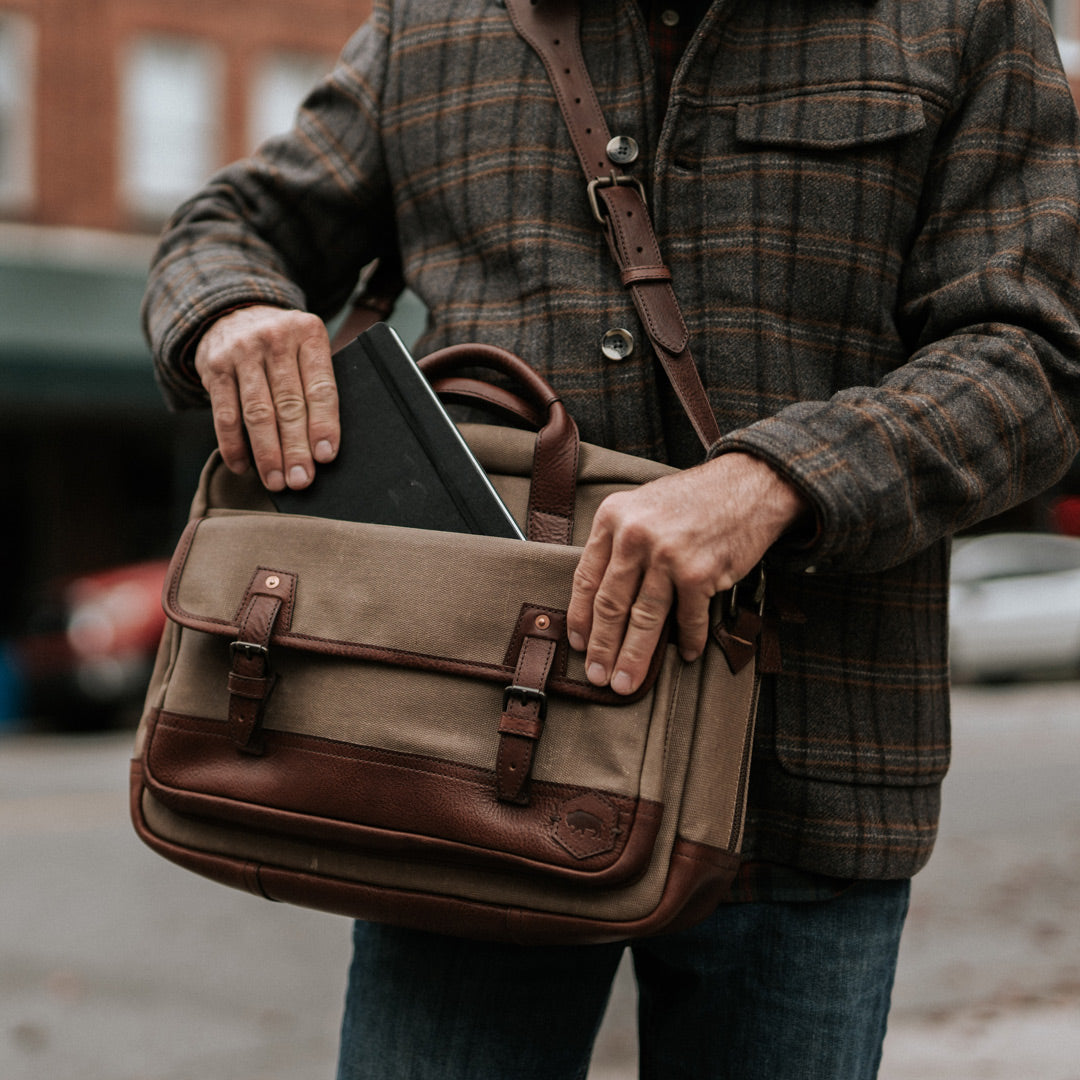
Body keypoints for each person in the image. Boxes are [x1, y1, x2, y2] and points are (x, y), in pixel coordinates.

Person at [142, 1, 1080, 1076]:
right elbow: (226, 225)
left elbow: (1040, 351)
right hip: (460, 769)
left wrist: (781, 479)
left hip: (805, 776)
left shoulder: (960, 15)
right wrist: (231, 307)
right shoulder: (434, 19)